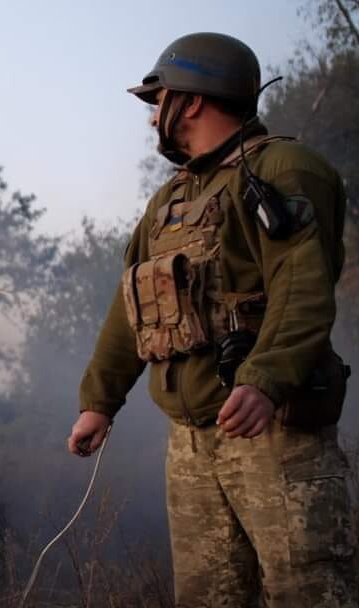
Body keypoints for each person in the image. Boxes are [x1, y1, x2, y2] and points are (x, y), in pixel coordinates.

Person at [67, 32, 356, 607]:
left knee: (306, 593)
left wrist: (264, 380)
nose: (153, 119)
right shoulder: (169, 199)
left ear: (192, 101)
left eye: (160, 101)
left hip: (276, 434)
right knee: (207, 597)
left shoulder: (285, 169)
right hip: (193, 444)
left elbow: (302, 289)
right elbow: (132, 307)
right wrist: (99, 401)